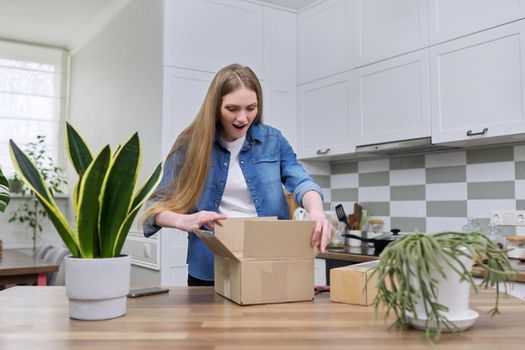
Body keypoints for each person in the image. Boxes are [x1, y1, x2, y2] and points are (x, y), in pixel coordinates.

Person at [142, 63, 332, 286]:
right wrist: (184, 220)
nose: (243, 118)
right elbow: (153, 209)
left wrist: (317, 212)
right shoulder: (189, 145)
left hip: (267, 261)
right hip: (209, 267)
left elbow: (302, 182)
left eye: (251, 108)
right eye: (232, 109)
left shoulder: (273, 140)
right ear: (215, 107)